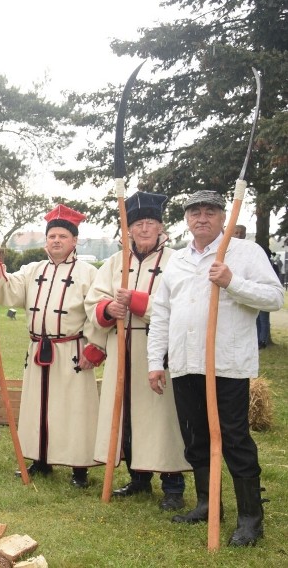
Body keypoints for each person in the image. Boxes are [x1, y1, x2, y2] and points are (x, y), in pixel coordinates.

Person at [147, 190, 284, 547]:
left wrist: (231, 282)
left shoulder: (245, 253)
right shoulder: (176, 260)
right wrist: (154, 362)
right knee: (196, 440)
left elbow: (274, 297)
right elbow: (161, 312)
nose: (202, 218)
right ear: (187, 220)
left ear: (223, 217)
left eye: (210, 212)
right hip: (184, 363)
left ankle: (250, 519)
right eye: (195, 213)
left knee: (234, 441)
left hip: (225, 364)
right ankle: (209, 505)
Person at [85, 192, 190, 510]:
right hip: (122, 349)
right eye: (138, 224)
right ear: (128, 229)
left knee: (162, 416)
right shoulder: (116, 262)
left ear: (161, 228)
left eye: (151, 223)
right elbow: (94, 299)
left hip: (160, 351)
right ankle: (139, 478)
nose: (144, 229)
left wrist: (138, 303)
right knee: (127, 414)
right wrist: (108, 308)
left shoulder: (177, 261)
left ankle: (173, 485)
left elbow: (181, 306)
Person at [0, 204, 104, 488]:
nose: (56, 241)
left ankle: (80, 468)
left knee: (74, 410)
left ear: (74, 241)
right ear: (46, 240)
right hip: (39, 351)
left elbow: (95, 312)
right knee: (38, 407)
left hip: (72, 352)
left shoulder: (89, 273)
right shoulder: (33, 270)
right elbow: (9, 291)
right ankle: (40, 459)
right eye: (52, 236)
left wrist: (96, 347)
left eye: (62, 237)